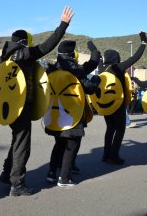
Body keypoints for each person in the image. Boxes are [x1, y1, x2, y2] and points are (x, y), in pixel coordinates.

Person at [0, 6, 74, 196]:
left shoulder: (7, 55)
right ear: (25, 42)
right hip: (22, 105)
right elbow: (48, 45)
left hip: (8, 106)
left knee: (17, 140)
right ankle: (17, 184)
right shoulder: (26, 54)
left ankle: (7, 174)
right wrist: (63, 25)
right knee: (23, 145)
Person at [45, 40, 101, 187]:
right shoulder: (75, 69)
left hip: (55, 113)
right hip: (72, 112)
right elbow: (88, 87)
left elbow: (90, 65)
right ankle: (64, 178)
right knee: (72, 143)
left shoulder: (52, 69)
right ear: (72, 54)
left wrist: (94, 55)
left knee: (59, 144)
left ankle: (51, 173)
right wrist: (96, 79)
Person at [98, 31, 147, 165]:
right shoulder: (117, 67)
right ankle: (113, 156)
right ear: (116, 58)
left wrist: (97, 55)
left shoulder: (102, 69)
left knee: (110, 129)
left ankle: (105, 155)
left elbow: (99, 61)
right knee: (120, 129)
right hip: (117, 104)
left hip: (105, 104)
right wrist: (143, 42)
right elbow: (135, 57)